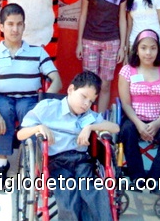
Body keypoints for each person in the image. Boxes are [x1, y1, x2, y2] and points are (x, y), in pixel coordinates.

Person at [0, 3, 62, 183]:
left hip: (29, 97)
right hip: (0, 97)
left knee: (29, 113)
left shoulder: (37, 52)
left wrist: (43, 104)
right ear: (2, 27)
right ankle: (2, 164)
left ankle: (31, 159)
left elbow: (57, 80)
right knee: (3, 112)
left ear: (24, 26)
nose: (15, 29)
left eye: (19, 24)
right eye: (10, 24)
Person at [18, 70, 119, 221]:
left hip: (82, 161)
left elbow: (115, 128)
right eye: (84, 96)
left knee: (95, 193)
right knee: (69, 199)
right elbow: (21, 134)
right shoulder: (48, 107)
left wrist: (90, 127)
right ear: (71, 90)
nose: (86, 104)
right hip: (56, 163)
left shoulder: (88, 116)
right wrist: (38, 128)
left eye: (91, 101)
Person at [118, 29, 160, 190]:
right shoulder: (127, 71)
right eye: (143, 48)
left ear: (158, 50)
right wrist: (138, 124)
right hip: (134, 119)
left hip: (159, 119)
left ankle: (155, 178)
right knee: (128, 131)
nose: (148, 52)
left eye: (153, 48)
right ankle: (137, 178)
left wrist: (157, 124)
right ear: (136, 49)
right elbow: (126, 104)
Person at [76, 0, 127, 113]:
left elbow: (122, 20)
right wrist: (79, 43)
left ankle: (99, 120)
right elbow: (83, 15)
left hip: (111, 42)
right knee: (89, 84)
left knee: (105, 84)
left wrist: (122, 47)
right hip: (90, 40)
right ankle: (85, 117)